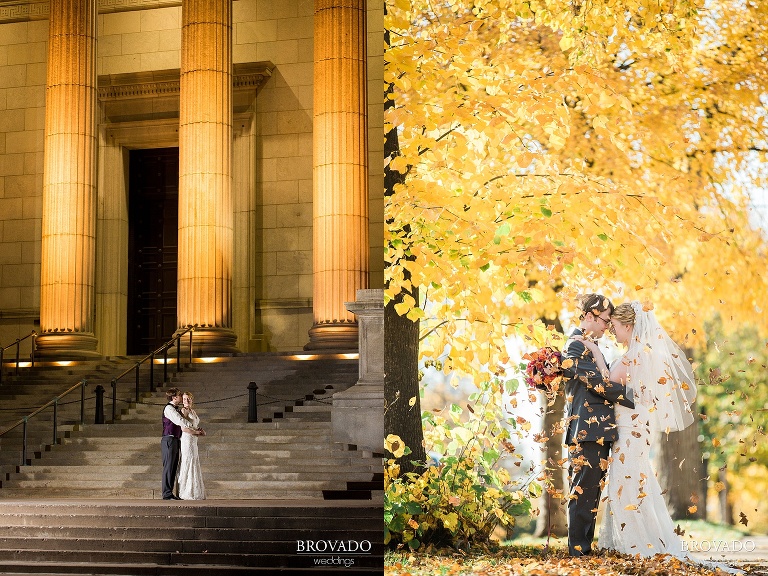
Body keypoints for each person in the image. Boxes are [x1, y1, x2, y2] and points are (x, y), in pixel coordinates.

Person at [577, 301, 697, 556]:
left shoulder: (636, 355)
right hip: (634, 429)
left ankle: (639, 547)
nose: (613, 332)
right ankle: (637, 543)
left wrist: (596, 354)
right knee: (633, 485)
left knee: (627, 487)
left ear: (629, 326)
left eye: (616, 327)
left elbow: (607, 384)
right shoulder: (642, 353)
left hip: (629, 432)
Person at [561, 294, 635, 556]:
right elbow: (599, 385)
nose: (607, 326)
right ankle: (578, 551)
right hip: (586, 430)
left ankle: (583, 549)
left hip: (596, 431)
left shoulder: (589, 345)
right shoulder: (575, 347)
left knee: (591, 494)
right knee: (582, 493)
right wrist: (634, 399)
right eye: (605, 320)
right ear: (589, 316)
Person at [161, 387, 203, 500]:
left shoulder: (175, 408)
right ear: (175, 397)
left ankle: (170, 493)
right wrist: (194, 429)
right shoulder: (169, 409)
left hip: (176, 439)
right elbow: (179, 421)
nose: (181, 398)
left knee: (174, 466)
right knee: (169, 466)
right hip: (169, 439)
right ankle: (167, 493)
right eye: (180, 396)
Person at [177, 391, 207, 500]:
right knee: (188, 461)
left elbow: (193, 425)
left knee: (194, 461)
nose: (187, 401)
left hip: (194, 440)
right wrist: (197, 433)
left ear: (192, 399)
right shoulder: (183, 411)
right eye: (184, 399)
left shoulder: (193, 411)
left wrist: (200, 430)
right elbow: (183, 428)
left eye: (188, 398)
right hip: (187, 439)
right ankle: (186, 491)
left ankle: (195, 490)